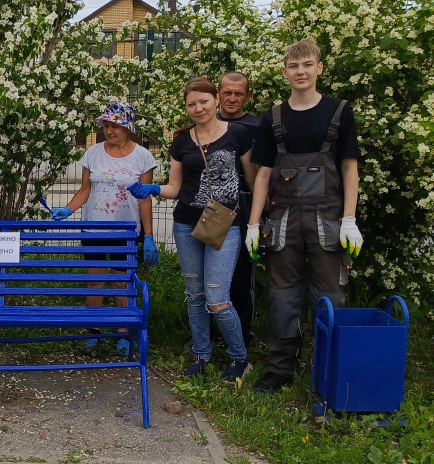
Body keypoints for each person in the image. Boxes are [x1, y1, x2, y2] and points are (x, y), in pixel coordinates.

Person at [245, 39, 362, 393]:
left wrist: (349, 219)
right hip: (283, 220)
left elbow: (349, 169)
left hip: (329, 218)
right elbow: (263, 174)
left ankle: (331, 366)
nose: (301, 72)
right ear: (285, 72)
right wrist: (253, 224)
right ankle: (280, 369)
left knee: (331, 294)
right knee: (282, 295)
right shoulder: (274, 117)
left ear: (319, 68)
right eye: (294, 66)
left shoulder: (339, 112)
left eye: (308, 65)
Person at [128, 77, 258, 381]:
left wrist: (256, 220)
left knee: (217, 297)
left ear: (215, 101)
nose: (198, 108)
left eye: (203, 101)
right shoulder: (182, 141)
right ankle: (201, 354)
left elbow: (251, 181)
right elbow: (175, 187)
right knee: (195, 295)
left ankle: (239, 357)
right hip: (186, 224)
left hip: (224, 225)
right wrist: (151, 189)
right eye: (191, 104)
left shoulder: (237, 134)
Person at [50, 100, 158, 356]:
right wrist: (68, 209)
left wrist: (149, 236)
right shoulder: (93, 153)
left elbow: (145, 198)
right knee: (95, 280)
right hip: (93, 229)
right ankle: (93, 332)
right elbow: (85, 189)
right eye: (106, 125)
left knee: (122, 282)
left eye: (116, 126)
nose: (110, 131)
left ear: (129, 127)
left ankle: (122, 333)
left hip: (125, 231)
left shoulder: (142, 156)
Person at [216, 71, 261, 351]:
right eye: (227, 93)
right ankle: (209, 337)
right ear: (218, 94)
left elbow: (260, 176)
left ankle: (242, 338)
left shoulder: (258, 127)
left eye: (238, 94)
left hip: (243, 207)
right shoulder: (207, 121)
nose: (232, 99)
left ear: (247, 96)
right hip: (210, 209)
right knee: (212, 276)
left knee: (241, 276)